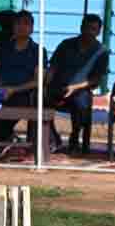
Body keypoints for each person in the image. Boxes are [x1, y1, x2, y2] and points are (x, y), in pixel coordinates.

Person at [46, 14, 109, 154]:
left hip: (80, 90)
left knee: (81, 103)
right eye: (87, 28)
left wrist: (74, 87)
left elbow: (96, 79)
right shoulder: (66, 44)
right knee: (39, 99)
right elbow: (53, 67)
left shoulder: (102, 51)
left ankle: (74, 139)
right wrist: (45, 84)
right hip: (58, 86)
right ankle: (53, 138)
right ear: (81, 28)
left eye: (93, 29)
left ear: (99, 32)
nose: (89, 32)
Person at [0, 10, 43, 142]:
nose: (22, 27)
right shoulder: (2, 48)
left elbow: (38, 81)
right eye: (18, 23)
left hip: (22, 93)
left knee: (10, 110)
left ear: (32, 28)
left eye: (26, 24)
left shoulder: (38, 51)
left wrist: (13, 90)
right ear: (13, 27)